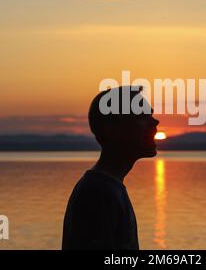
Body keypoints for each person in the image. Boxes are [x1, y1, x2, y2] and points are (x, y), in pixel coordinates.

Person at [62, 86, 159, 250]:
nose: (154, 121)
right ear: (112, 129)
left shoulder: (107, 188)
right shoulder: (98, 193)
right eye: (142, 116)